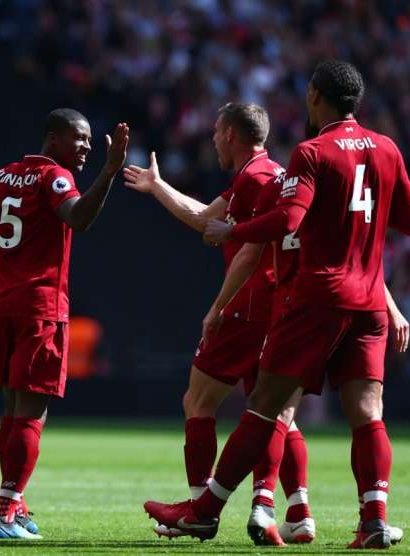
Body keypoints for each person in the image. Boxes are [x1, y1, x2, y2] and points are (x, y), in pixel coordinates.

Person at [150, 59, 410, 550]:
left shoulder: (312, 152)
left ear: (317, 96)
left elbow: (288, 220)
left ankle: (206, 511)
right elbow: (409, 220)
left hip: (317, 297)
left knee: (264, 407)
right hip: (368, 304)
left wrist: (235, 230)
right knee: (367, 411)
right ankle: (372, 520)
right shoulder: (387, 148)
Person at [0, 109, 128, 539]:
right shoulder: (56, 179)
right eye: (80, 138)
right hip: (40, 307)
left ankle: (16, 502)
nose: (88, 147)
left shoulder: (4, 177)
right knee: (32, 413)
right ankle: (5, 510)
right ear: (53, 139)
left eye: (91, 141)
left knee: (14, 411)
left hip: (1, 305)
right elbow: (79, 218)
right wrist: (108, 174)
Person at [124, 102, 311, 546]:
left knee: (198, 401)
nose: (211, 140)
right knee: (274, 413)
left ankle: (198, 507)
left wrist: (218, 306)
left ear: (230, 134)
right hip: (281, 306)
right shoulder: (271, 176)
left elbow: (247, 248)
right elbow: (206, 219)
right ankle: (294, 509)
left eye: (215, 132)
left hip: (246, 305)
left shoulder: (254, 179)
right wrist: (158, 187)